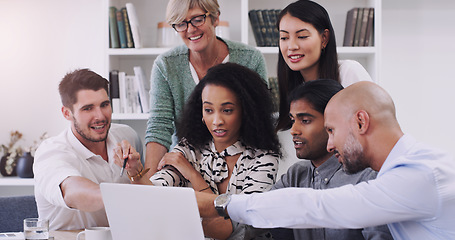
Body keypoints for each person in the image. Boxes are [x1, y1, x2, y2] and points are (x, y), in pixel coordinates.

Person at [196, 81, 455, 240]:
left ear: (361, 122)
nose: (330, 145)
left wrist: (220, 203)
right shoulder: (409, 168)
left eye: (331, 130)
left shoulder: (419, 176)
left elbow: (317, 206)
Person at [117, 63, 281, 239]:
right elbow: (155, 196)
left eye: (227, 110)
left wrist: (192, 174)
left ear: (246, 111)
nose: (217, 120)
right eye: (209, 110)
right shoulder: (189, 148)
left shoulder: (264, 159)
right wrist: (135, 170)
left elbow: (230, 229)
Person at [144, 0, 268, 178]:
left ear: (215, 18)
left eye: (197, 19)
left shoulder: (251, 59)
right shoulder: (166, 65)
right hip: (185, 165)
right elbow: (159, 127)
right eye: (181, 23)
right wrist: (149, 185)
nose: (190, 29)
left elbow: (260, 122)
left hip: (240, 167)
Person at [270, 80, 392, 240]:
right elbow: (263, 217)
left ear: (333, 122)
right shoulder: (296, 175)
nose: (293, 130)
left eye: (305, 120)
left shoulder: (368, 178)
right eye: (293, 120)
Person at [33, 69, 143, 230]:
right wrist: (121, 196)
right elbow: (71, 190)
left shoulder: (128, 135)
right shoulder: (51, 152)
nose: (100, 116)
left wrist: (136, 172)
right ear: (67, 113)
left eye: (104, 105)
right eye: (88, 108)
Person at [275, 0, 372, 130]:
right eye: (284, 38)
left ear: (324, 38)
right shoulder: (292, 87)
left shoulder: (348, 72)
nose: (292, 46)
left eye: (302, 36)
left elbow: (375, 130)